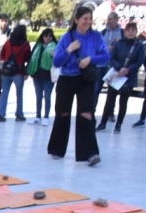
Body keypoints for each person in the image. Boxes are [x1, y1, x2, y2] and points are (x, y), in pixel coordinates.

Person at [47, 6, 109, 166]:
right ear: (76, 20)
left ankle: (90, 153)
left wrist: (90, 59)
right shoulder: (67, 37)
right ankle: (56, 149)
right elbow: (57, 62)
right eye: (84, 19)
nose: (88, 22)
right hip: (67, 79)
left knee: (87, 114)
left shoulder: (96, 37)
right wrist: (69, 49)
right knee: (63, 113)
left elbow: (105, 56)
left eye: (90, 19)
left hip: (86, 79)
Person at [96, 23, 144, 133]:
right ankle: (103, 123)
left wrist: (127, 69)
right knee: (109, 101)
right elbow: (112, 58)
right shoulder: (119, 43)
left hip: (129, 77)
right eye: (128, 30)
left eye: (133, 30)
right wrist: (119, 67)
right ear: (125, 32)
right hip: (117, 75)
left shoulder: (139, 46)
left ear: (136, 32)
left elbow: (139, 61)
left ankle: (118, 125)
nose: (130, 32)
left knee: (123, 102)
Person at [0, 24, 32, 122]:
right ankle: (19, 114)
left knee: (4, 93)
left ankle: (0, 114)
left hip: (6, 72)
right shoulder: (26, 45)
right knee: (19, 94)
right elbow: (28, 59)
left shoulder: (8, 43)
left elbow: (2, 56)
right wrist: (26, 72)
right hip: (18, 72)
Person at [27, 28, 56, 126]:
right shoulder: (37, 46)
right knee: (38, 96)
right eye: (46, 35)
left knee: (47, 97)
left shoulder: (55, 46)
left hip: (48, 76)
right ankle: (38, 116)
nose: (48, 38)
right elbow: (32, 58)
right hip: (37, 75)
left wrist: (55, 55)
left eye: (50, 36)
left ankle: (46, 116)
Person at [96, 11, 122, 114]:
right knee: (96, 89)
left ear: (116, 20)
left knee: (112, 91)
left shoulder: (122, 33)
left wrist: (118, 44)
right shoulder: (102, 32)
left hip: (113, 66)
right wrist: (106, 49)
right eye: (108, 19)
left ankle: (110, 112)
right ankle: (92, 110)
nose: (108, 21)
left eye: (110, 19)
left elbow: (125, 48)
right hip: (100, 65)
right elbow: (96, 48)